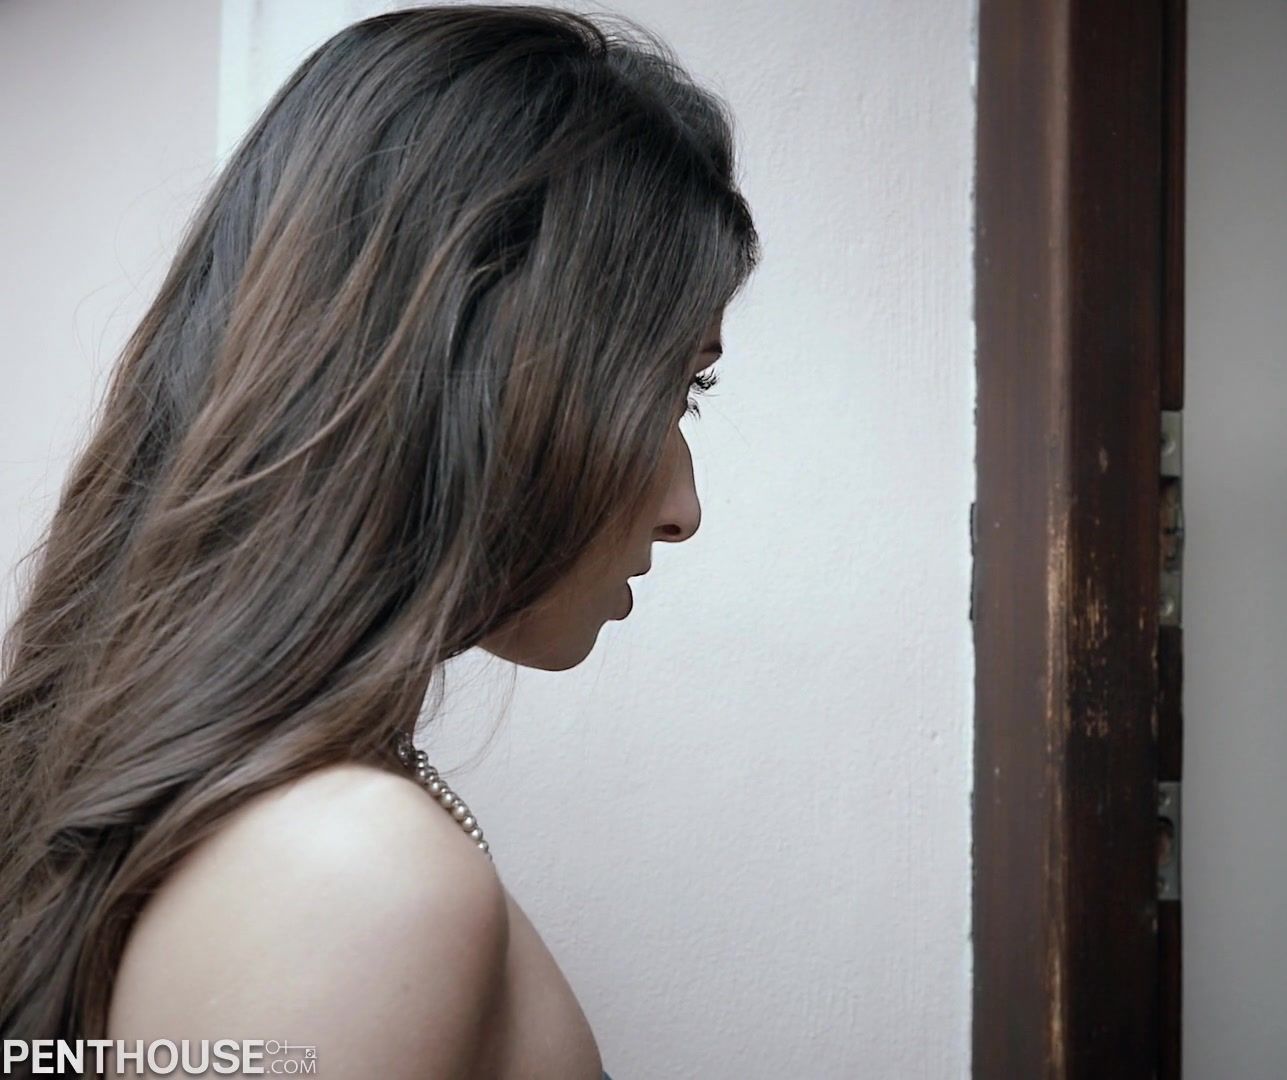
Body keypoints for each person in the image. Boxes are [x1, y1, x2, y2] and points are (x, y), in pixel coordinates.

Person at [0, 6, 757, 1076]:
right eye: (674, 388)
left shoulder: (300, 817)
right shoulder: (353, 868)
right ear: (483, 363)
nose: (683, 507)